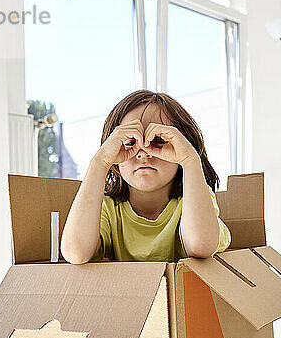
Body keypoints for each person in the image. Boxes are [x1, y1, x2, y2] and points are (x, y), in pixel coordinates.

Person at [61, 90, 231, 264]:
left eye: (158, 141)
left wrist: (190, 160)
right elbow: (76, 253)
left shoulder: (196, 200)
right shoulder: (107, 207)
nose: (143, 153)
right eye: (129, 141)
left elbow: (200, 245)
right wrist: (100, 161)